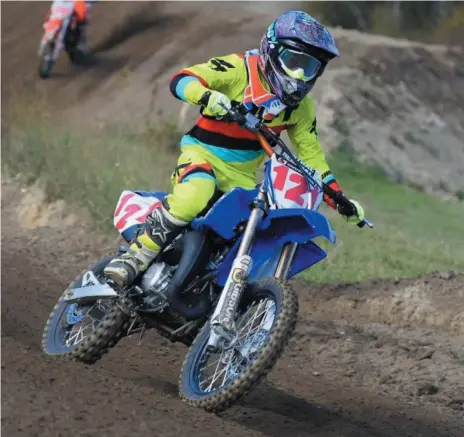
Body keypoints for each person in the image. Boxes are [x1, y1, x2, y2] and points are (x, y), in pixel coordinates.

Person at [103, 11, 366, 288]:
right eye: (293, 62)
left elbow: (312, 157)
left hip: (240, 179)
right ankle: (135, 257)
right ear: (272, 51)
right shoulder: (238, 69)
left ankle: (207, 292)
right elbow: (181, 79)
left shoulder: (301, 109)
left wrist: (339, 199)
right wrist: (207, 96)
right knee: (196, 193)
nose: (299, 75)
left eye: (309, 67)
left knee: (252, 229)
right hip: (201, 156)